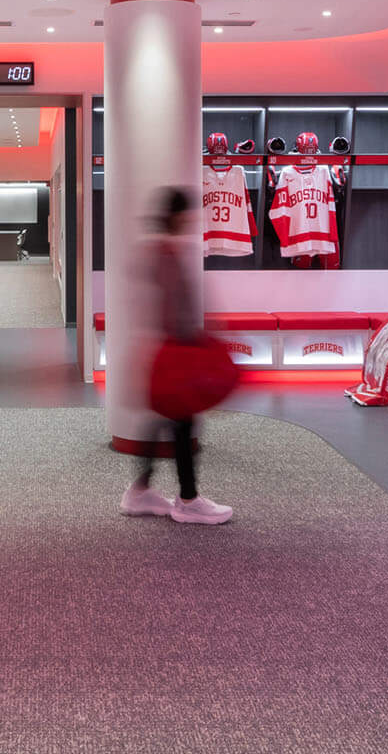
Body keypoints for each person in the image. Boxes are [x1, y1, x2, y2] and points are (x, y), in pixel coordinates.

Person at [118, 186, 233, 525]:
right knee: (181, 420)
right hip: (174, 349)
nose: (194, 219)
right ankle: (187, 499)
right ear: (179, 215)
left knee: (166, 420)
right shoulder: (165, 252)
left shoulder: (157, 249)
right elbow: (174, 305)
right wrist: (198, 341)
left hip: (164, 349)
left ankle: (141, 492)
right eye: (190, 214)